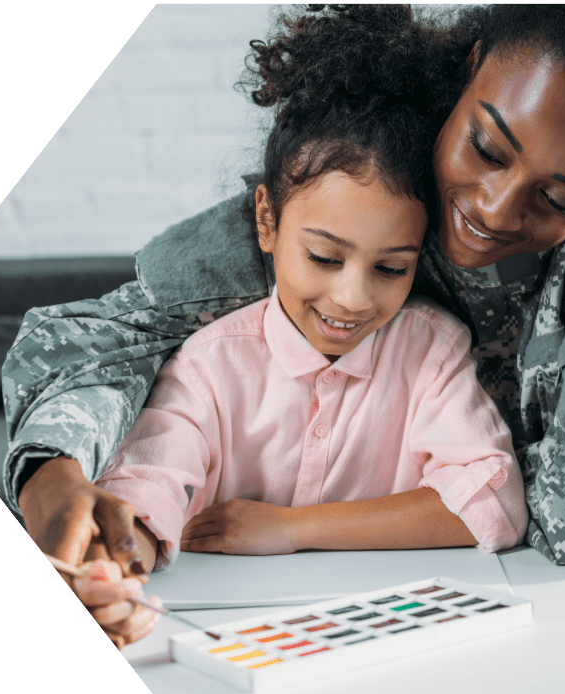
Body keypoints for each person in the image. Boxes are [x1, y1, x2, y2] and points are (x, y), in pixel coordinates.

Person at [3, 5, 565, 694]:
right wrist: (56, 474)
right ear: (471, 69)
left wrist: (316, 517)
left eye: (560, 197)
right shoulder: (372, 156)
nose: (493, 206)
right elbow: (110, 332)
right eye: (486, 145)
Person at [90, 29, 526, 573]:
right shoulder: (209, 364)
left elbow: (494, 504)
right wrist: (117, 563)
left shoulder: (432, 351)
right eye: (324, 257)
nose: (352, 299)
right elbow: (142, 489)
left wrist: (293, 529)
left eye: (391, 268)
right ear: (267, 220)